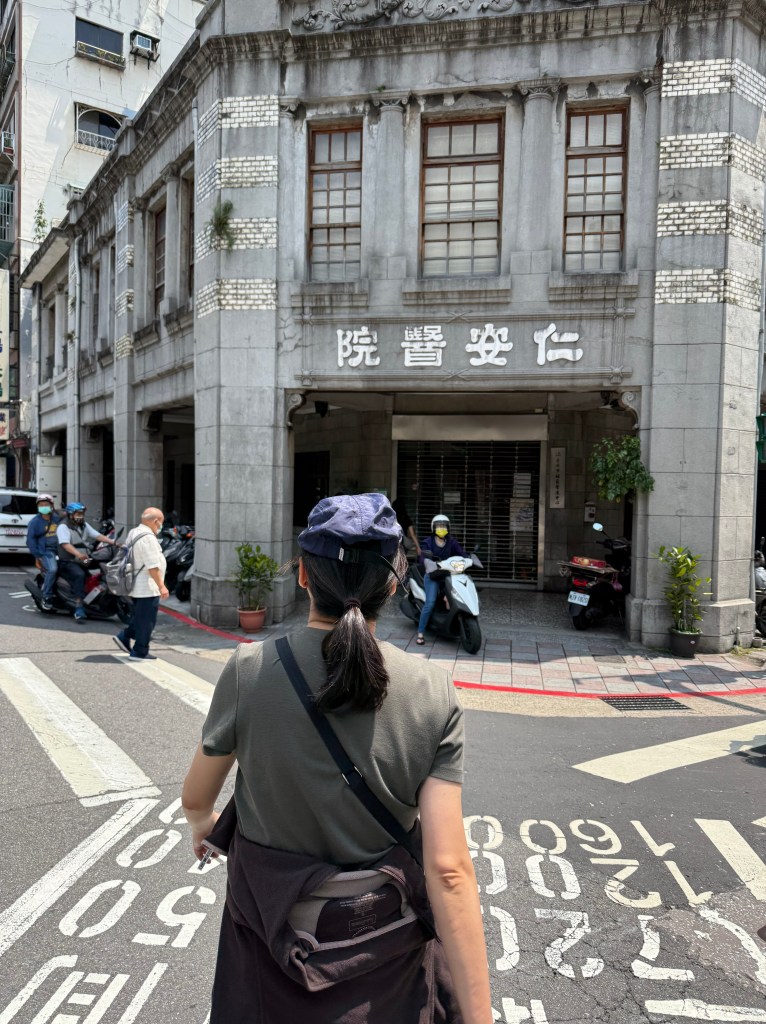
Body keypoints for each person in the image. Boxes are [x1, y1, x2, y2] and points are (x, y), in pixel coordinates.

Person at [181, 493, 491, 1024]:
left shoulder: (249, 669)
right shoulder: (433, 690)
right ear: (393, 583)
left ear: (304, 575)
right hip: (388, 962)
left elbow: (196, 797)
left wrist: (203, 824)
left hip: (266, 954)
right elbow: (448, 871)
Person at [114, 507, 168, 659]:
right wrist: (161, 586)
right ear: (156, 521)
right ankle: (139, 651)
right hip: (147, 586)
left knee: (141, 617)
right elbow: (152, 566)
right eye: (161, 522)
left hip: (136, 584)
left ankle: (125, 636)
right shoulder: (148, 538)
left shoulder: (134, 532)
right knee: (147, 621)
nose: (161, 526)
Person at [56, 502, 117, 622]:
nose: (81, 516)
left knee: (101, 564)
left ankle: (97, 597)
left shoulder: (84, 525)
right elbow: (65, 545)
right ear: (70, 515)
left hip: (82, 559)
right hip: (68, 561)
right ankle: (79, 607)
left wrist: (115, 543)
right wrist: (79, 555)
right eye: (78, 514)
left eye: (82, 514)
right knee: (80, 575)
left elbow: (97, 536)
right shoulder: (63, 527)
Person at [416, 513, 467, 645]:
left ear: (448, 528)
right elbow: (422, 556)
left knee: (457, 598)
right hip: (433, 576)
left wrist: (468, 559)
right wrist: (427, 562)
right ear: (433, 528)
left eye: (444, 526)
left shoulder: (451, 542)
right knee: (430, 603)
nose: (441, 528)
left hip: (449, 575)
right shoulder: (428, 542)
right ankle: (420, 632)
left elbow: (461, 553)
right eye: (439, 526)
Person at [26, 493, 60, 610]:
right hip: (46, 551)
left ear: (52, 505)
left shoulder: (57, 519)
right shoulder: (35, 522)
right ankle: (46, 596)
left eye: (46, 504)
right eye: (41, 505)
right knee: (52, 570)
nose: (43, 507)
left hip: (60, 550)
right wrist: (37, 556)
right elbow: (30, 541)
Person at [392, 483, 421, 558]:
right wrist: (418, 547)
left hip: (393, 543)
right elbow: (412, 534)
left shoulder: (392, 518)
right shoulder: (406, 518)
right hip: (403, 544)